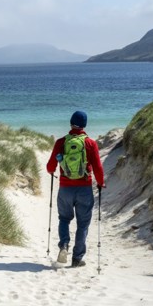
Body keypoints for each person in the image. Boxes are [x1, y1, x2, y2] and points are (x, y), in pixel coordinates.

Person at [46, 110, 106, 267]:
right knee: (83, 224)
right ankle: (77, 258)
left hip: (65, 189)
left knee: (64, 219)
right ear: (85, 125)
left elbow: (49, 167)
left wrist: (54, 169)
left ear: (70, 123)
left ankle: (64, 246)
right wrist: (101, 183)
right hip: (84, 188)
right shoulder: (90, 143)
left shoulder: (61, 142)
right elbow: (98, 167)